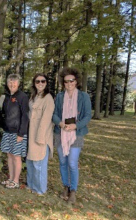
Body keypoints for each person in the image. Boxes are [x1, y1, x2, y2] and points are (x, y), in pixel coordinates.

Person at [52, 67, 91, 204]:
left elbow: (87, 116)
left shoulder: (83, 96)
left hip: (76, 134)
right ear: (63, 83)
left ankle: (73, 190)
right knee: (63, 162)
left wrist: (76, 126)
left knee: (72, 163)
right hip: (60, 133)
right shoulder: (60, 96)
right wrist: (61, 124)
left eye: (71, 81)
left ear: (76, 81)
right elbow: (54, 114)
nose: (69, 84)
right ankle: (66, 186)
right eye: (66, 82)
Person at [26, 73, 55, 195]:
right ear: (34, 83)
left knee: (39, 163)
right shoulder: (33, 97)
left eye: (43, 81)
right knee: (31, 161)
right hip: (31, 133)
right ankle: (31, 185)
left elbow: (46, 119)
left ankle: (40, 189)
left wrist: (40, 137)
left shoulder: (48, 98)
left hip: (41, 134)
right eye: (37, 81)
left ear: (46, 83)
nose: (40, 84)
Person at [0, 74, 29, 189]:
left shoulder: (22, 97)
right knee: (9, 155)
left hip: (18, 132)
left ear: (18, 84)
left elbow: (25, 116)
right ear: (7, 84)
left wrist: (21, 133)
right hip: (7, 131)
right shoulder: (6, 97)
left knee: (16, 156)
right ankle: (10, 178)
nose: (12, 84)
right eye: (10, 82)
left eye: (14, 82)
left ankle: (16, 181)